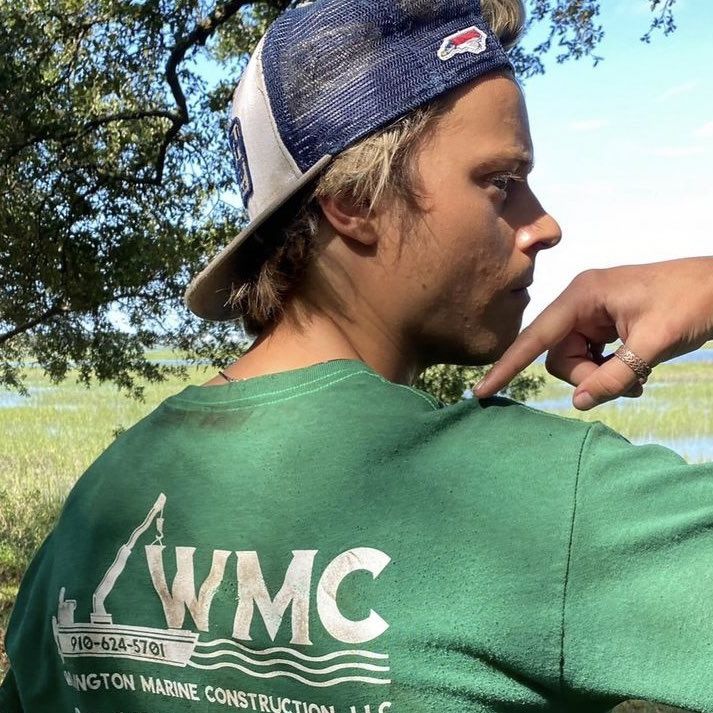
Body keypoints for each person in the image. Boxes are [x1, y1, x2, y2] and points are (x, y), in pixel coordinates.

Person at [2, 1, 713, 712]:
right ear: (353, 201)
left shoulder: (103, 501)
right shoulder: (545, 504)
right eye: (499, 182)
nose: (544, 224)